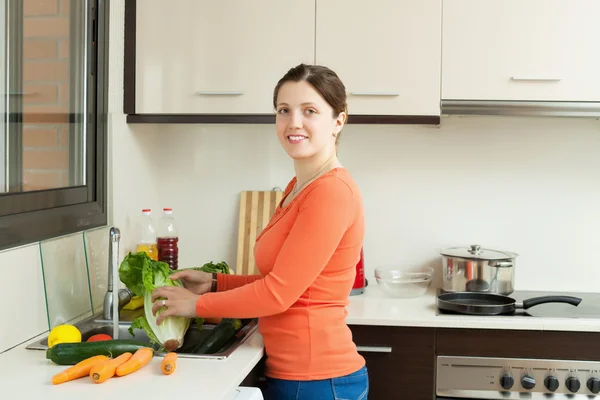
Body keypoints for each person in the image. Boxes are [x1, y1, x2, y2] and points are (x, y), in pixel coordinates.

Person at [151, 63, 369, 400]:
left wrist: (198, 305)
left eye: (309, 111)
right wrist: (214, 283)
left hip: (318, 380)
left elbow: (278, 294)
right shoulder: (300, 185)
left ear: (338, 120)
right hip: (300, 375)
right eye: (284, 110)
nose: (293, 122)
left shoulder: (331, 192)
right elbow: (282, 281)